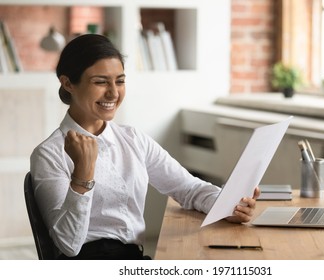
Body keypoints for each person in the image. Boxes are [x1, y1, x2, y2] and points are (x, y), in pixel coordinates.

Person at [30, 34, 260, 260]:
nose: (113, 92)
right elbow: (68, 245)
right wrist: (83, 174)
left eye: (119, 81)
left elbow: (188, 189)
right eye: (100, 81)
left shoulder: (134, 139)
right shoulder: (49, 154)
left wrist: (229, 205)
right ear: (68, 83)